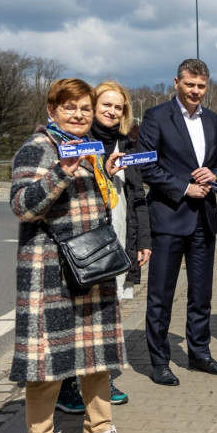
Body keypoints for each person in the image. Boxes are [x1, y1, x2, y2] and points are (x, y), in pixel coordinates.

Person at [11, 78, 139, 433]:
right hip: (49, 270)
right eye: (70, 108)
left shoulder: (91, 151)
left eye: (85, 108)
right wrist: (61, 173)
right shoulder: (37, 149)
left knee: (97, 355)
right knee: (48, 361)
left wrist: (107, 174)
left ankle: (98, 430)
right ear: (52, 111)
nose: (80, 115)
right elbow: (22, 206)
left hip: (92, 265)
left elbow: (100, 206)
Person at [136, 59, 217, 386]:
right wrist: (184, 187)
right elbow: (147, 167)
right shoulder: (156, 117)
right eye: (190, 84)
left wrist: (215, 174)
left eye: (201, 86)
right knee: (161, 297)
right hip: (168, 218)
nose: (195, 91)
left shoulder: (214, 121)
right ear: (176, 82)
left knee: (201, 294)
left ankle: (199, 354)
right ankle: (159, 361)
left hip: (204, 220)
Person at [56, 82, 152, 412]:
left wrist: (143, 242)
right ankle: (69, 385)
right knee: (79, 315)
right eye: (106, 105)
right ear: (93, 106)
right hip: (86, 242)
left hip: (120, 237)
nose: (112, 111)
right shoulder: (78, 143)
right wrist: (105, 173)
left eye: (119, 107)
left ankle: (101, 377)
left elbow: (138, 197)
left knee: (107, 313)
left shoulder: (128, 145)